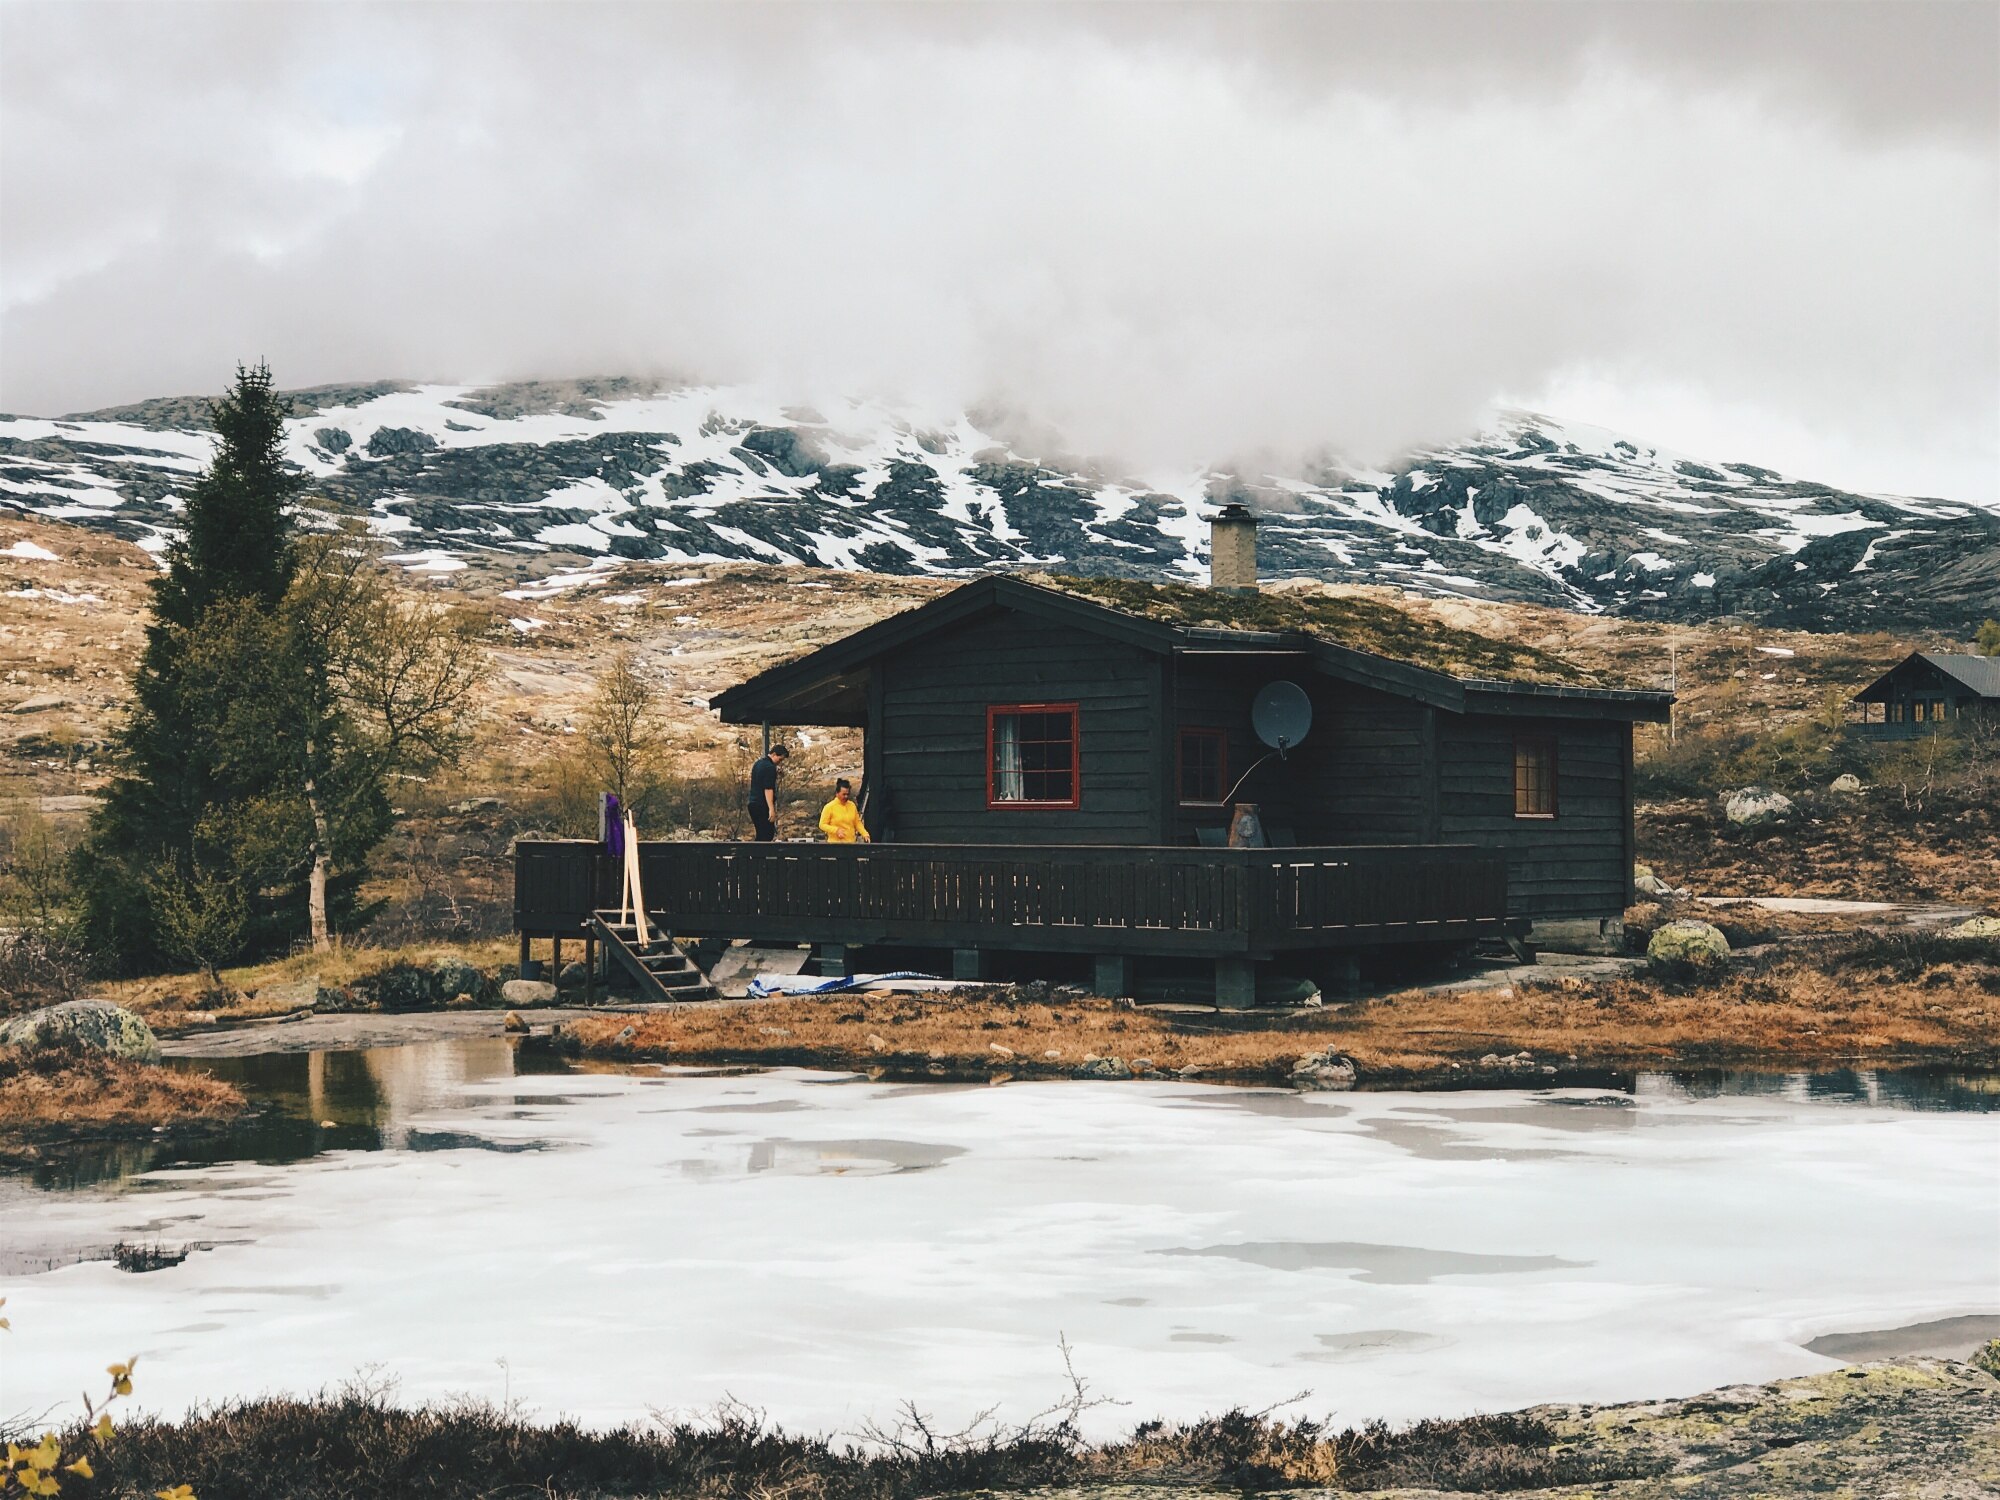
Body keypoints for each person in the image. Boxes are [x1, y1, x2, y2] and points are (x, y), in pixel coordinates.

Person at [746, 742, 788, 841]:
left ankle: (756, 855)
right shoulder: (770, 768)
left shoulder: (759, 763)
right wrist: (771, 809)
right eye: (780, 759)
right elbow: (768, 789)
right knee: (767, 834)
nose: (780, 762)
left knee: (761, 833)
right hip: (762, 804)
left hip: (753, 803)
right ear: (774, 754)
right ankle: (758, 855)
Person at [818, 778, 870, 843]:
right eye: (844, 794)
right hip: (835, 844)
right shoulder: (829, 807)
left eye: (847, 794)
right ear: (837, 793)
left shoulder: (852, 805)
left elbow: (857, 823)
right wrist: (836, 830)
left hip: (850, 843)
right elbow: (822, 824)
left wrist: (865, 834)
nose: (846, 796)